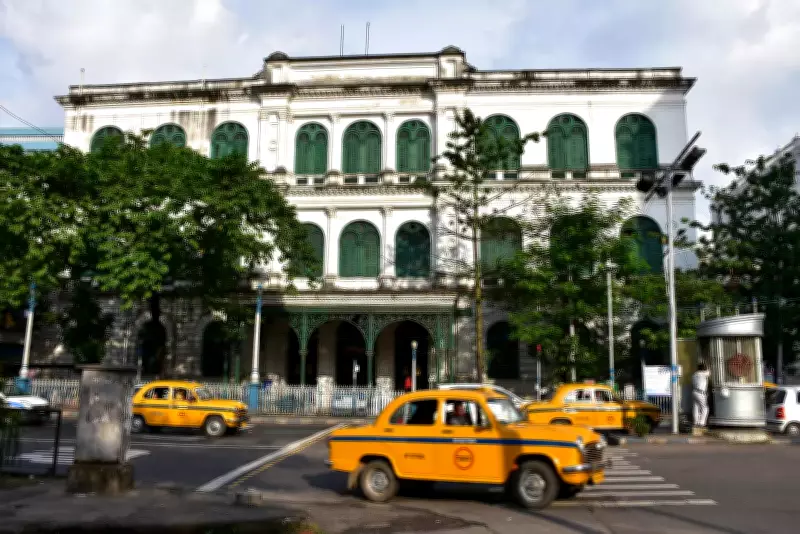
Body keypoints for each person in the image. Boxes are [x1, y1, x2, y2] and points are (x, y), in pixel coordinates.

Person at [692, 362, 710, 430]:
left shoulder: (694, 374)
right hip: (700, 393)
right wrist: (708, 366)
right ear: (703, 369)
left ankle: (696, 422)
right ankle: (702, 423)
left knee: (696, 407)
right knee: (705, 408)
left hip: (694, 392)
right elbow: (709, 373)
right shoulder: (702, 374)